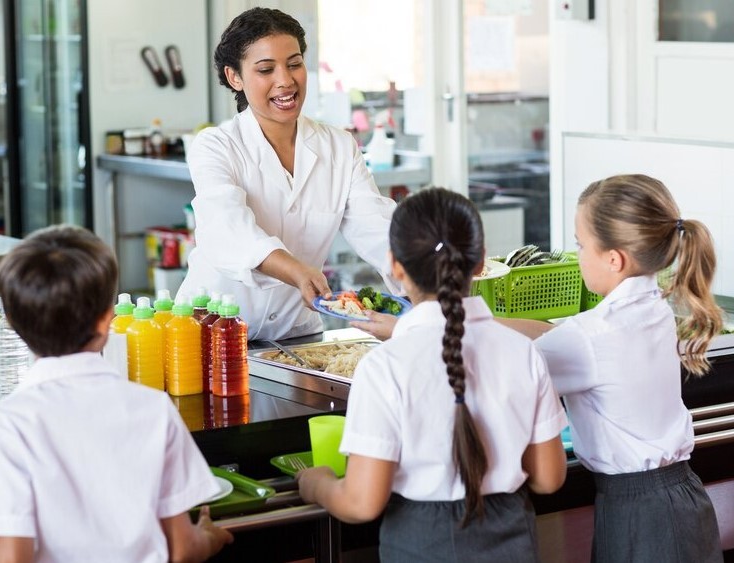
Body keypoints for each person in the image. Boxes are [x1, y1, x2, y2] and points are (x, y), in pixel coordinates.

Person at [297, 188, 568, 562]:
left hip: (421, 542)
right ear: (480, 262)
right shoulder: (522, 353)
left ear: (395, 266)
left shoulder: (384, 367)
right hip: (513, 540)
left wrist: (317, 484)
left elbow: (361, 503)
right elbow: (549, 477)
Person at [0, 225, 233, 563]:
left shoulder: (0, 427)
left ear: (14, 326)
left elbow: (12, 557)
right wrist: (207, 536)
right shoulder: (153, 409)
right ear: (107, 321)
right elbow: (181, 548)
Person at [499, 174, 724, 562]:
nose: (578, 253)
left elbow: (505, 363)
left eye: (580, 245)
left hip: (640, 514)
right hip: (682, 497)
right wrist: (473, 320)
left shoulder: (592, 336)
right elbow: (559, 336)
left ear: (613, 258)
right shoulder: (651, 307)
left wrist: (428, 326)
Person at [180, 7, 398, 341]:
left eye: (294, 64)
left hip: (295, 334)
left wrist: (425, 266)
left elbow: (375, 227)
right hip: (213, 334)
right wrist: (295, 270)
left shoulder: (339, 146)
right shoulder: (216, 146)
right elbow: (227, 231)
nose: (285, 80)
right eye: (266, 69)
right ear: (235, 77)